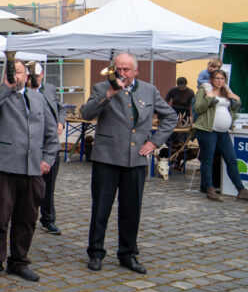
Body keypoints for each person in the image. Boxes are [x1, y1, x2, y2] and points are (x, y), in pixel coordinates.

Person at [81, 52, 176, 274]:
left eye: (126, 69)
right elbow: (87, 113)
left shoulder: (149, 90)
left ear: (135, 71)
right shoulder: (101, 87)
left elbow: (169, 116)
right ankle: (96, 253)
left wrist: (154, 142)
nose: (122, 73)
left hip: (136, 160)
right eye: (118, 69)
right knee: (101, 209)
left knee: (131, 209)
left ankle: (128, 254)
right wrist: (109, 93)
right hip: (107, 157)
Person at [0, 59, 58, 284]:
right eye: (13, 72)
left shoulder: (38, 98)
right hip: (2, 168)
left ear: (27, 75)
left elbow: (51, 133)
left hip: (32, 170)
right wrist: (5, 87)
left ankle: (19, 261)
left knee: (27, 219)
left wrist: (48, 158)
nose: (16, 76)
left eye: (20, 72)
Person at [193, 69, 244, 201]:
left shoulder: (226, 92)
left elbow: (232, 109)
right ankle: (209, 189)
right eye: (217, 78)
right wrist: (209, 98)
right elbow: (198, 108)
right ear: (211, 80)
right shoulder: (204, 91)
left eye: (222, 79)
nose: (220, 81)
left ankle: (241, 190)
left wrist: (237, 100)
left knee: (231, 160)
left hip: (223, 132)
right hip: (208, 130)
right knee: (208, 160)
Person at [29, 63, 64, 236]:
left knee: (49, 186)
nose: (35, 79)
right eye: (32, 76)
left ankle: (48, 219)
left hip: (49, 142)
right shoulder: (24, 90)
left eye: (37, 75)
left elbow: (61, 107)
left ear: (42, 74)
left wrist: (61, 122)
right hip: (31, 143)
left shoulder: (49, 88)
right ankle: (28, 216)